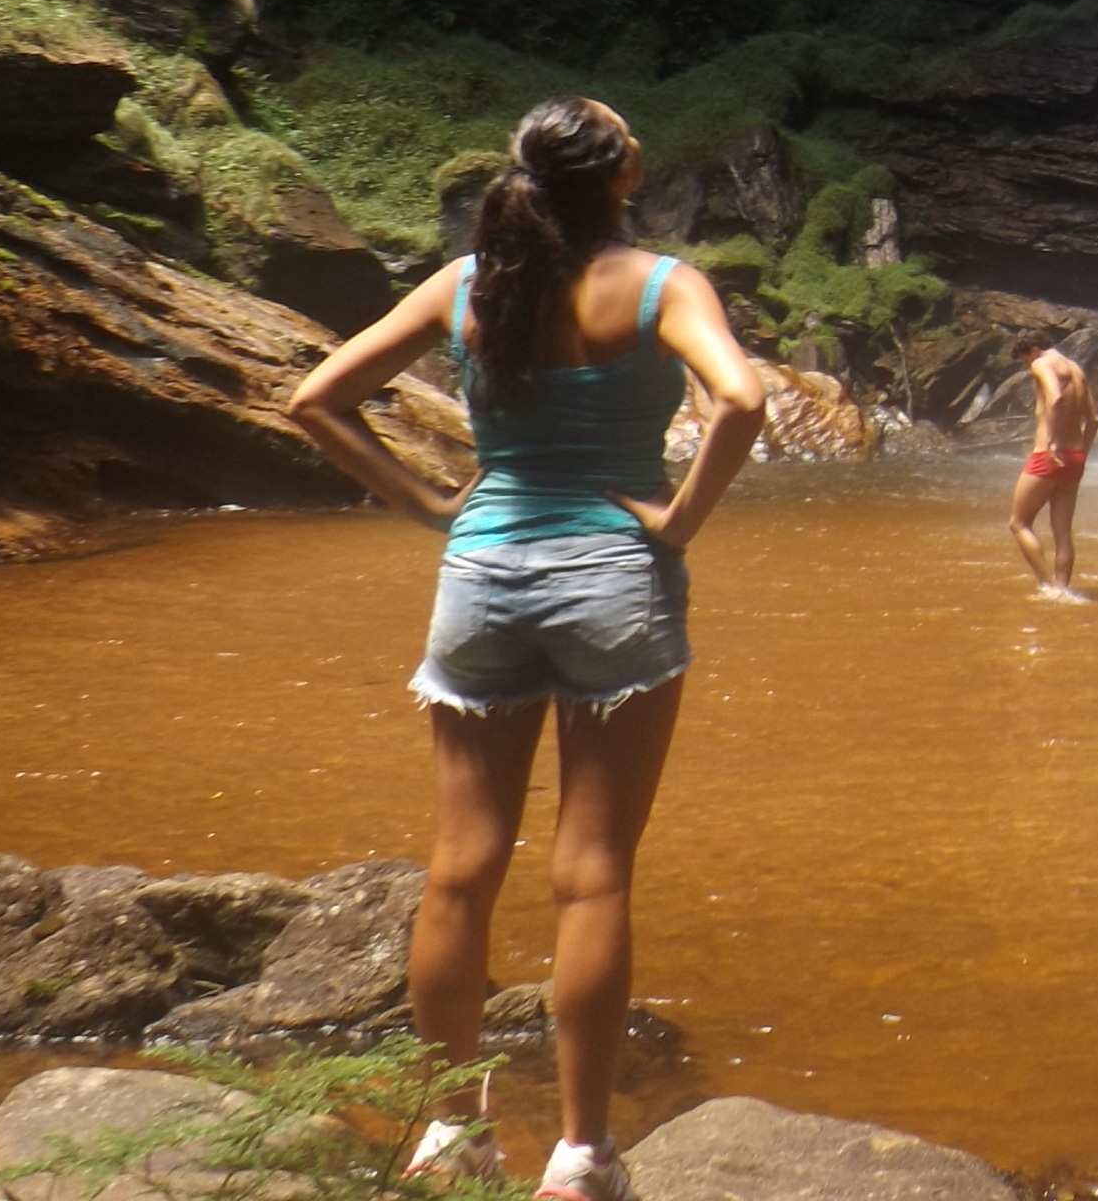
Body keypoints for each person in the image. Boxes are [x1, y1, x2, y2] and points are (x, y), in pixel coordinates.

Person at [286, 96, 767, 1201]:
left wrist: (431, 506)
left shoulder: (468, 286)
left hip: (483, 580)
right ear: (621, 176)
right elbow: (739, 398)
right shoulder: (659, 285)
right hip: (614, 581)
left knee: (459, 872)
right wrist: (680, 519)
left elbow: (316, 399)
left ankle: (450, 1132)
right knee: (591, 878)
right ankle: (581, 1152)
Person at [1005, 339, 1098, 599]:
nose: (1028, 367)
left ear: (1032, 350)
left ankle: (1048, 587)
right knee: (1063, 533)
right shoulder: (1077, 370)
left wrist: (1051, 443)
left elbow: (1055, 397)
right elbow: (1094, 419)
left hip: (1048, 455)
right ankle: (1063, 588)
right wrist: (1083, 455)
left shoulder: (1042, 363)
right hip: (1075, 457)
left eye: (1025, 361)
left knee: (1018, 523)